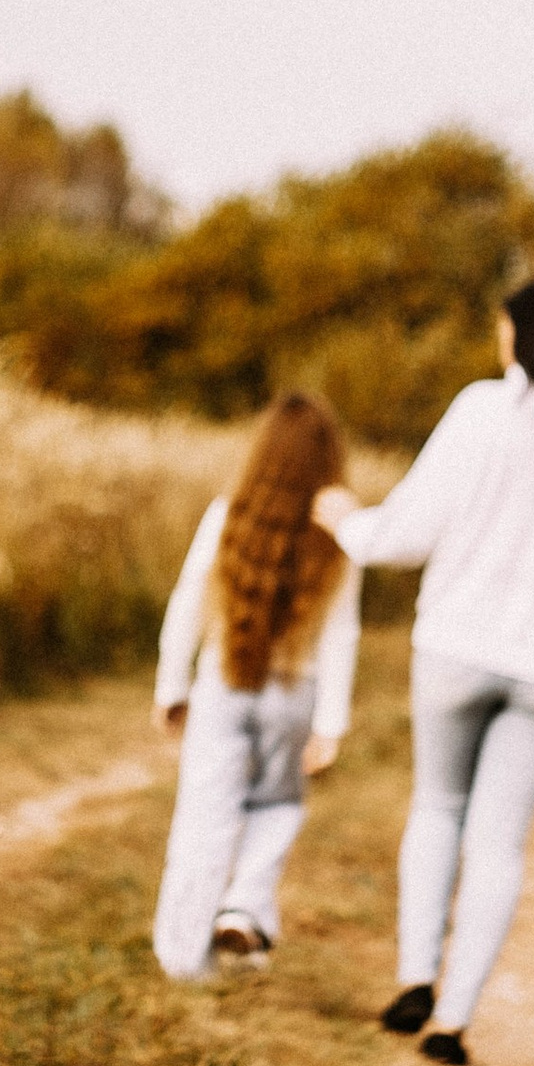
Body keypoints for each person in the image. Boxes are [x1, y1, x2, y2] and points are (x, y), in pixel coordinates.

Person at [313, 279, 534, 1066]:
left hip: (457, 649)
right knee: (500, 842)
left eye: (502, 331)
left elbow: (409, 528)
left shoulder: (481, 411)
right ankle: (454, 1023)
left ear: (522, 337)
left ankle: (414, 977)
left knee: (437, 805)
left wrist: (348, 527)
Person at [152, 393, 362, 982]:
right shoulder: (339, 534)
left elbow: (189, 601)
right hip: (295, 692)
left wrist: (172, 685)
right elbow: (343, 631)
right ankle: (244, 908)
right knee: (276, 804)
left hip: (224, 681)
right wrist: (330, 721)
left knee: (205, 816)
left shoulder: (228, 513)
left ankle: (182, 957)